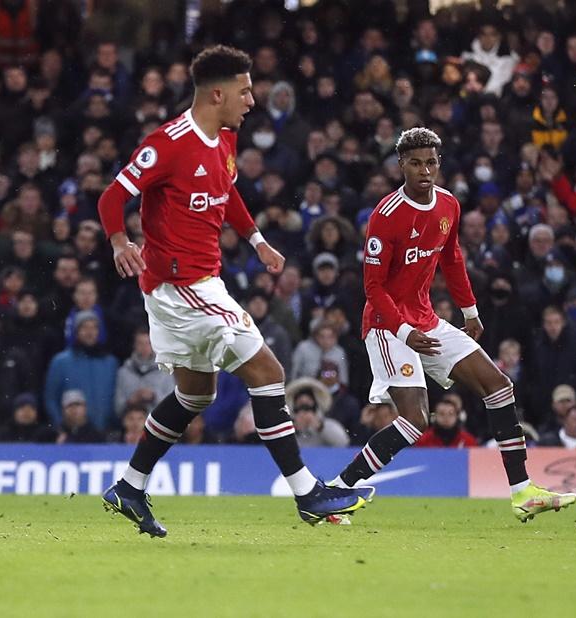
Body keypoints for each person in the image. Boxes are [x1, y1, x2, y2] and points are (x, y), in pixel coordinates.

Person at [95, 46, 370, 537]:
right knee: (268, 370)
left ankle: (130, 486)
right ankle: (307, 492)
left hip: (193, 283)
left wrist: (258, 240)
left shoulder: (222, 140)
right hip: (183, 287)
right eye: (244, 91)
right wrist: (119, 240)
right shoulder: (168, 143)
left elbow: (228, 192)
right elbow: (113, 195)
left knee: (196, 394)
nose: (251, 100)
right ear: (216, 93)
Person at [334, 126, 575, 522]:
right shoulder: (386, 216)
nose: (424, 170)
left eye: (430, 162)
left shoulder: (448, 205)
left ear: (439, 163)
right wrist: (403, 331)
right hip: (386, 326)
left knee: (498, 387)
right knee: (415, 420)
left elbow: (452, 258)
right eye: (415, 163)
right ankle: (341, 491)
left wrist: (470, 310)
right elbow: (373, 288)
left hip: (428, 319)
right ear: (401, 166)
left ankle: (522, 491)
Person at [413, 398, 478, 448]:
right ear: (434, 416)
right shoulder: (423, 440)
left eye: (451, 414)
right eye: (442, 414)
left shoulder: (468, 440)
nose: (446, 417)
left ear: (457, 416)